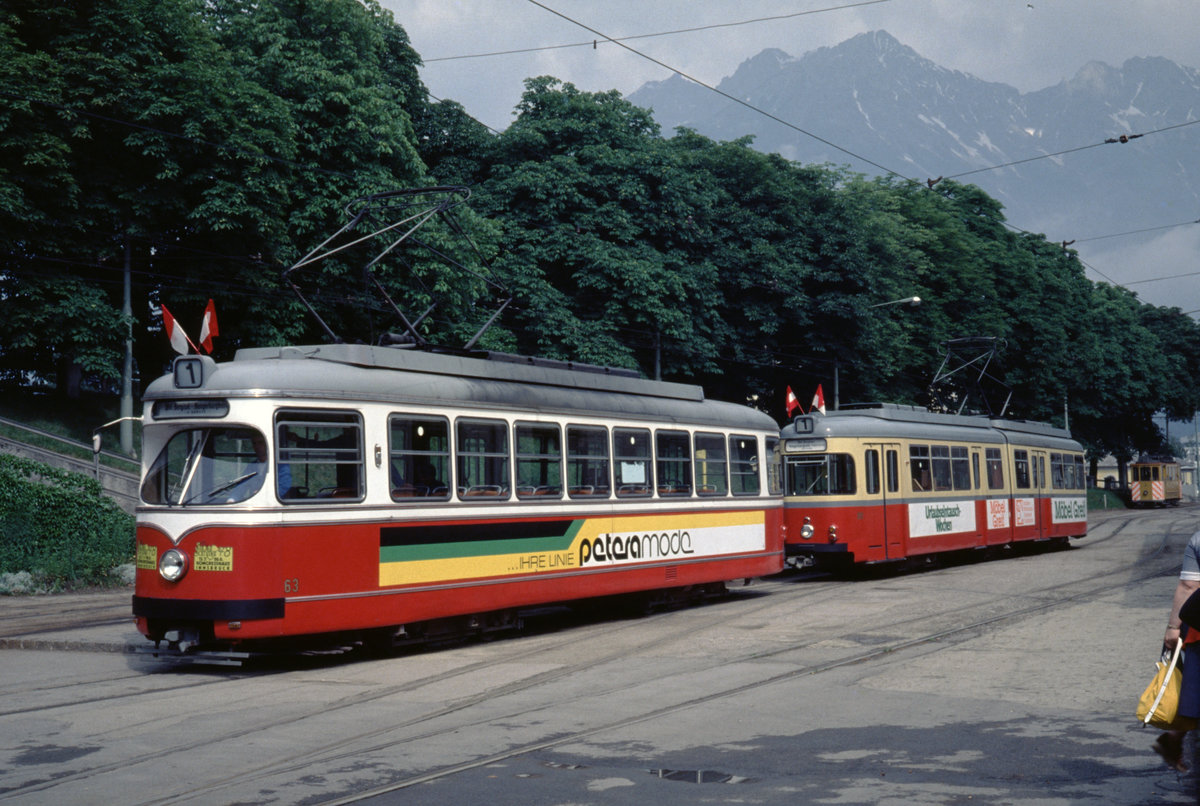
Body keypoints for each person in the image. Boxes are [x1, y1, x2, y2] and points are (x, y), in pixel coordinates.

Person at [1156, 529, 1200, 771]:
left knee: (1193, 693)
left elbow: (1188, 585)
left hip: (1199, 632)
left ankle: (1173, 739)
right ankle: (1173, 740)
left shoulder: (1198, 539)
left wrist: (1173, 628)